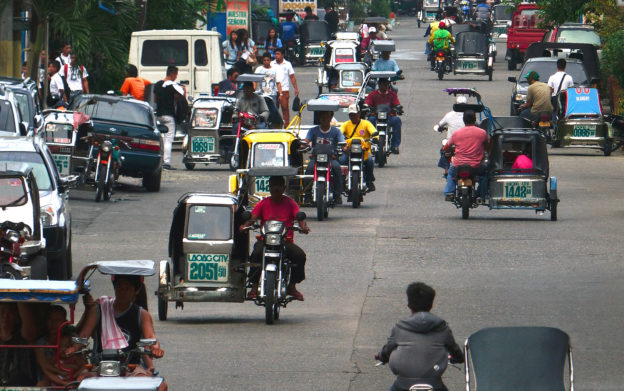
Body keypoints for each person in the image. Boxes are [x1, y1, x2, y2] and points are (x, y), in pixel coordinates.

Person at [76, 275, 167, 390]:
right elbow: (84, 335)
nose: (122, 292)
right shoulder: (99, 309)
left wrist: (155, 349)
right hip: (99, 365)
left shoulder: (142, 314)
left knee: (160, 386)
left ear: (136, 291)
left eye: (127, 289)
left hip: (131, 367)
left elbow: (150, 338)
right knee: (80, 382)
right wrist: (74, 347)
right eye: (119, 288)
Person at [377, 282, 464, 391]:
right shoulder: (443, 328)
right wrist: (458, 358)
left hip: (402, 386)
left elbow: (387, 350)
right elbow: (455, 351)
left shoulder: (399, 328)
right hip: (435, 385)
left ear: (409, 305)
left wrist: (381, 357)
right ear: (431, 305)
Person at [239, 176, 310, 301]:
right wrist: (245, 225)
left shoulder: (290, 203)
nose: (276, 189)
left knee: (300, 256)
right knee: (256, 254)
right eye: (273, 186)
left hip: (285, 241)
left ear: (284, 188)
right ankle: (254, 287)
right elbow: (253, 217)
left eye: (279, 186)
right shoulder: (263, 203)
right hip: (265, 241)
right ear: (269, 188)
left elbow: (300, 218)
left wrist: (303, 227)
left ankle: (291, 286)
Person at [443, 110, 489, 200]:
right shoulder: (482, 133)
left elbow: (446, 147)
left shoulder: (457, 133)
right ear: (475, 120)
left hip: (458, 165)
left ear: (463, 120)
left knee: (450, 173)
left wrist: (446, 149)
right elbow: (487, 147)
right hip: (476, 166)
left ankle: (449, 192)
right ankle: (481, 194)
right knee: (485, 174)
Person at [304, 109, 346, 204]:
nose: (324, 119)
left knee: (337, 169)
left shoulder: (336, 131)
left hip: (331, 158)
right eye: (322, 116)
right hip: (316, 158)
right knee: (309, 170)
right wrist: (303, 144)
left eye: (326, 116)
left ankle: (337, 194)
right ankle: (307, 195)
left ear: (331, 117)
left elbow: (342, 141)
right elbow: (306, 140)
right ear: (319, 118)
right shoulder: (313, 131)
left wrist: (345, 147)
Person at [340, 104, 377, 191]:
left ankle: (369, 181)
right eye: (351, 114)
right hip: (349, 152)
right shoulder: (345, 124)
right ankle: (341, 183)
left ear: (359, 113)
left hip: (364, 151)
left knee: (370, 161)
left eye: (354, 114)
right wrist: (341, 142)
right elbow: (339, 134)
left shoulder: (366, 123)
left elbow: (374, 132)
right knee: (342, 161)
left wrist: (376, 138)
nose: (352, 116)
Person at [154, 65, 184, 170]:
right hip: (169, 116)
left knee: (161, 139)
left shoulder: (157, 85)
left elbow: (155, 99)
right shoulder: (173, 86)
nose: (176, 77)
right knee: (168, 140)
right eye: (176, 74)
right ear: (172, 74)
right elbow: (179, 98)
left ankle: (159, 161)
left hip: (159, 115)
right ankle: (166, 163)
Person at [0, 302, 37, 386]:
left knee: (18, 377)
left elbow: (29, 332)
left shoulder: (22, 338)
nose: (5, 316)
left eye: (10, 312)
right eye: (2, 311)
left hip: (19, 384)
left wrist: (19, 294)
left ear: (16, 317)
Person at [365, 78, 403, 154]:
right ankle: (368, 143)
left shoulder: (392, 94)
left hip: (389, 116)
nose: (385, 86)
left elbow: (397, 103)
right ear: (379, 85)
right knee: (369, 121)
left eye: (387, 84)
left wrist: (398, 108)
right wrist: (366, 107)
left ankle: (395, 145)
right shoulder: (372, 94)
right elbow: (367, 103)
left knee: (397, 121)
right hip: (376, 116)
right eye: (383, 84)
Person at [436, 95, 468, 178]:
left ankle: (446, 169)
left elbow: (440, 124)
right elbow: (479, 125)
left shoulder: (449, 115)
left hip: (452, 143)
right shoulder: (470, 115)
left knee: (443, 150)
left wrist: (440, 128)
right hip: (466, 144)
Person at [271, 48, 299, 127]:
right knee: (274, 110)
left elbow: (292, 77)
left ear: (282, 55)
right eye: (275, 54)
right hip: (273, 90)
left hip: (284, 90)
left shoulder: (287, 64)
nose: (276, 56)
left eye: (278, 54)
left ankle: (286, 126)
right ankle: (275, 127)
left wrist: (296, 89)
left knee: (285, 109)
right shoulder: (272, 64)